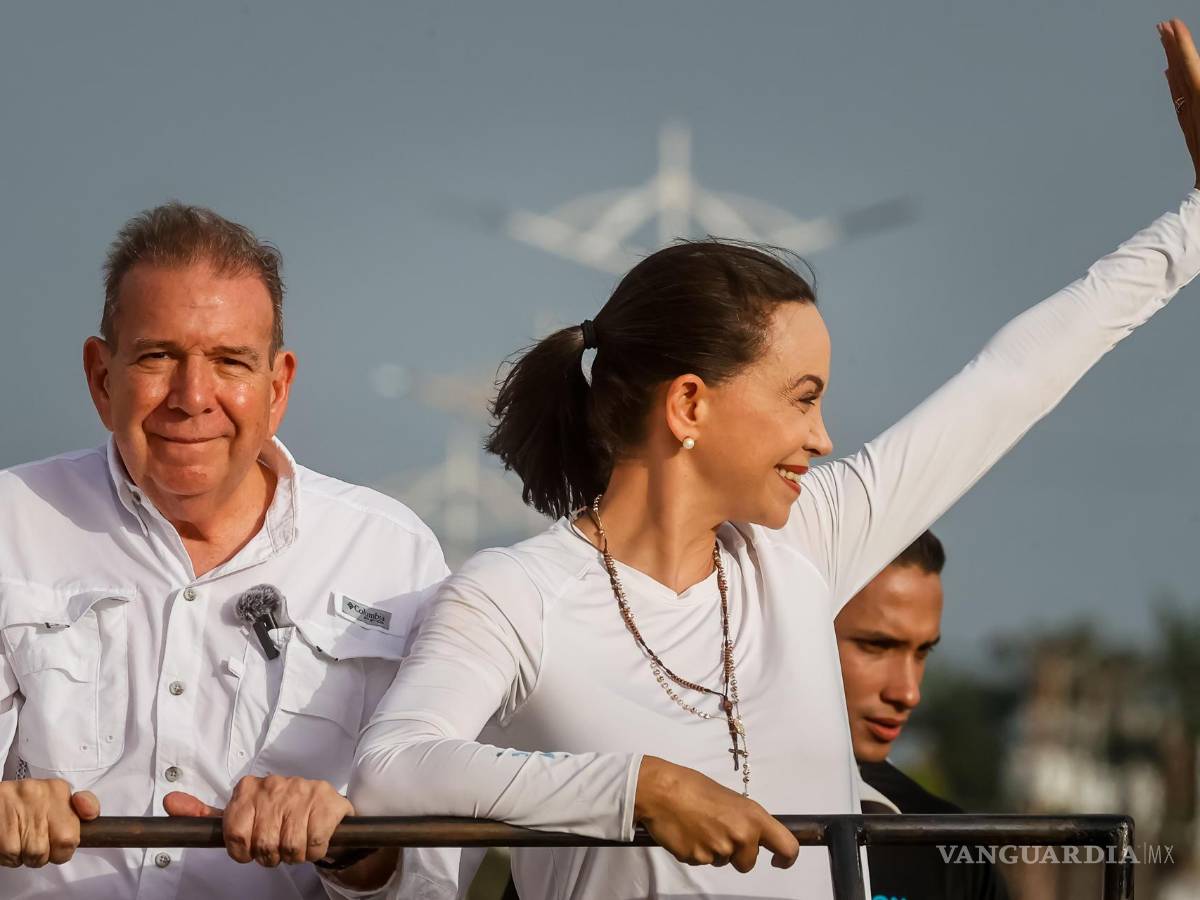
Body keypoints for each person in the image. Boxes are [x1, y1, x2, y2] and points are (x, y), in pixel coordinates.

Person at [350, 18, 1200, 899]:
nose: (825, 438)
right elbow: (395, 767)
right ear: (690, 404)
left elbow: (1014, 376)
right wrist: (638, 788)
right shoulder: (510, 595)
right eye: (802, 398)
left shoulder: (803, 549)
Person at [0, 203, 452, 899]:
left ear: (278, 388)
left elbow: (430, 879)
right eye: (158, 357)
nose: (192, 397)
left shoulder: (394, 557)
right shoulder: (10, 523)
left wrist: (349, 849)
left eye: (230, 362)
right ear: (101, 377)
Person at [837, 530, 1007, 900]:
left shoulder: (949, 843)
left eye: (922, 652)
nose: (909, 692)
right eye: (877, 645)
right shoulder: (703, 813)